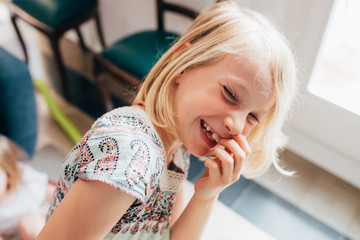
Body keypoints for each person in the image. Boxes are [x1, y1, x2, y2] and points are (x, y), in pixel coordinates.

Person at [38, 0, 297, 239]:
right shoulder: (130, 157)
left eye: (253, 116)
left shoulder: (176, 148)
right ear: (183, 64)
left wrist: (208, 194)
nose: (237, 125)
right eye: (230, 94)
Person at [0, 135, 55, 240]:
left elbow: (56, 194)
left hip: (43, 225)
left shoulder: (26, 182)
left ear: (9, 176)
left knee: (29, 225)